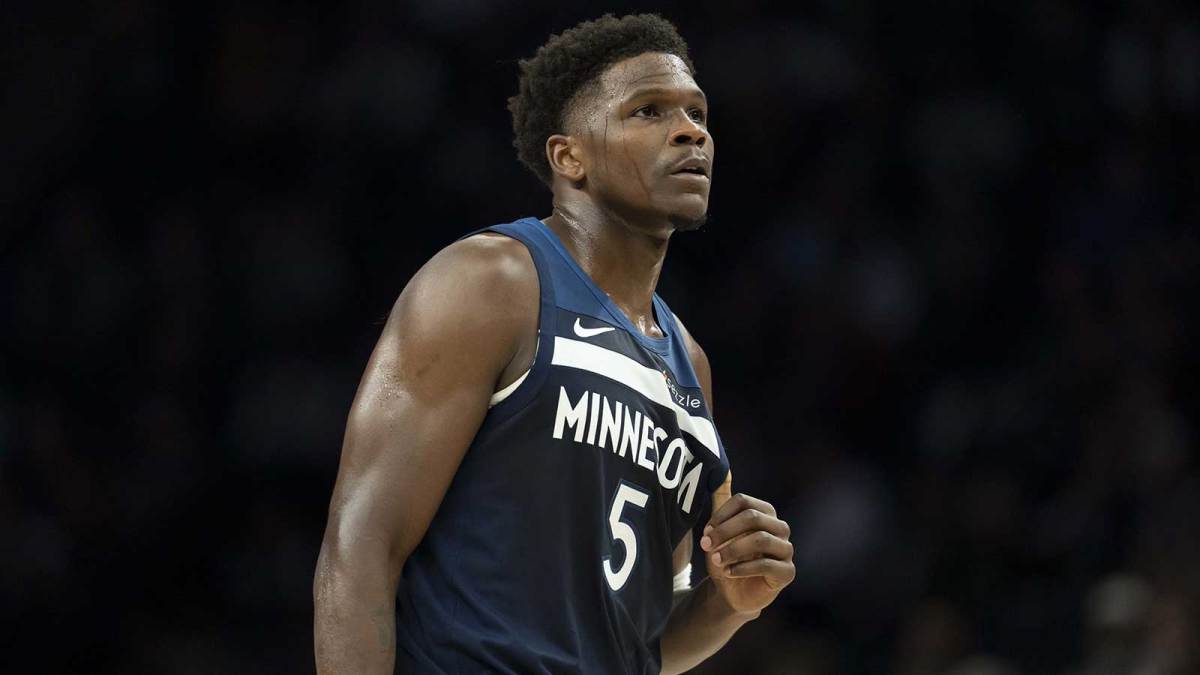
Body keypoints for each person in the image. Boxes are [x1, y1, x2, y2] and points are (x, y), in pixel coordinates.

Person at [313, 13, 795, 674]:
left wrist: (731, 604)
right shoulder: (492, 281)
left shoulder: (689, 362)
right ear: (569, 158)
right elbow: (361, 545)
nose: (692, 131)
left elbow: (640, 640)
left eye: (697, 113)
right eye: (648, 111)